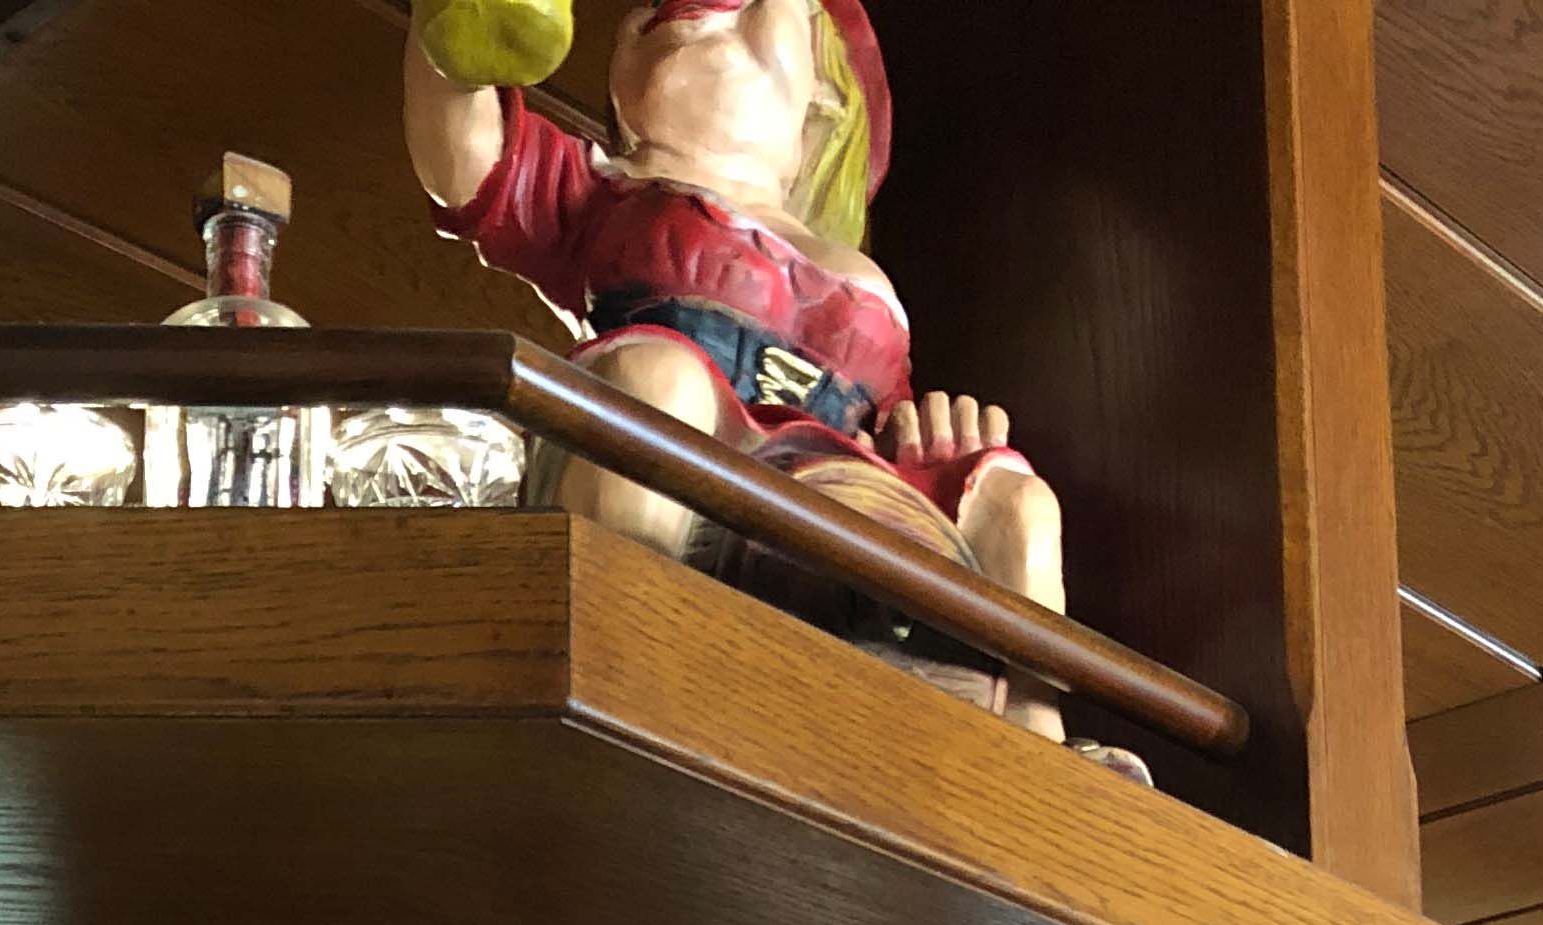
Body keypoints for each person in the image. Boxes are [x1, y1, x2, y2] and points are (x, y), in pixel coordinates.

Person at [406, 0, 1075, 737]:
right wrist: (458, 30)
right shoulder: (611, 192)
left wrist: (934, 442)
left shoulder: (860, 270)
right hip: (681, 453)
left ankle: (1036, 744)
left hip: (829, 485)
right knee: (660, 385)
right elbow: (471, 157)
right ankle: (619, 656)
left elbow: (893, 421)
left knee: (1018, 503)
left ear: (826, 86)